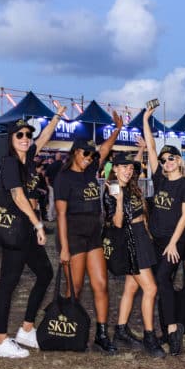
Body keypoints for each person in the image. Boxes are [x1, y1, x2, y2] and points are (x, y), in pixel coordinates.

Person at [0, 111, 63, 358]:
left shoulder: (27, 159)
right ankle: (1, 341)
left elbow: (43, 138)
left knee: (45, 273)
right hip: (15, 231)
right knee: (8, 285)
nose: (25, 138)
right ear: (11, 138)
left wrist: (56, 118)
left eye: (27, 134)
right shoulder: (11, 163)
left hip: (25, 231)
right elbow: (17, 196)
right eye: (19, 135)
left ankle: (26, 329)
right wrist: (38, 224)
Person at [54, 113, 122, 355]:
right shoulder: (63, 177)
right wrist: (63, 248)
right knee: (74, 289)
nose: (89, 158)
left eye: (91, 155)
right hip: (72, 238)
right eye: (85, 154)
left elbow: (105, 149)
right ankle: (69, 329)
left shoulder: (92, 167)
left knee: (101, 285)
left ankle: (102, 335)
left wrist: (118, 128)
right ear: (75, 152)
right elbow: (60, 214)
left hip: (94, 236)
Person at [136, 109, 185, 356]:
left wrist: (173, 244)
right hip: (156, 239)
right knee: (164, 284)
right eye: (163, 160)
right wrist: (145, 120)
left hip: (175, 241)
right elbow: (151, 147)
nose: (167, 162)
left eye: (171, 158)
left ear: (179, 160)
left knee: (161, 280)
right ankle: (168, 328)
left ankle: (172, 328)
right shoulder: (160, 179)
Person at [103, 152, 165, 357]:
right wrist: (119, 201)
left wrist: (139, 152)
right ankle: (150, 336)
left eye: (131, 168)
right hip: (130, 240)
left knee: (131, 287)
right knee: (151, 288)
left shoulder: (131, 185)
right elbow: (118, 223)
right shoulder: (113, 188)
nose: (128, 171)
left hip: (141, 238)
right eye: (124, 167)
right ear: (115, 169)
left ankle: (121, 330)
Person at [44, 152, 63, 221]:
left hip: (52, 185)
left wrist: (48, 184)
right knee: (58, 201)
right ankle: (54, 216)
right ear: (60, 157)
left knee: (52, 202)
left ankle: (50, 217)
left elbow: (46, 176)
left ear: (56, 157)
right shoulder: (63, 165)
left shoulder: (51, 165)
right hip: (60, 186)